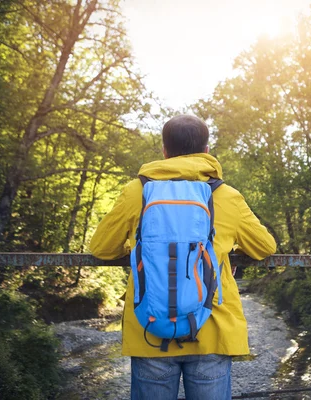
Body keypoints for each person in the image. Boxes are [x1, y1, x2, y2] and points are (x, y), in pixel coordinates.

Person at [90, 114, 276, 400]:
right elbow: (265, 247)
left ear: (164, 151)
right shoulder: (226, 196)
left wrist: (140, 249)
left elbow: (101, 247)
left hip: (149, 330)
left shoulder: (137, 192)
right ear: (206, 151)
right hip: (212, 328)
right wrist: (224, 253)